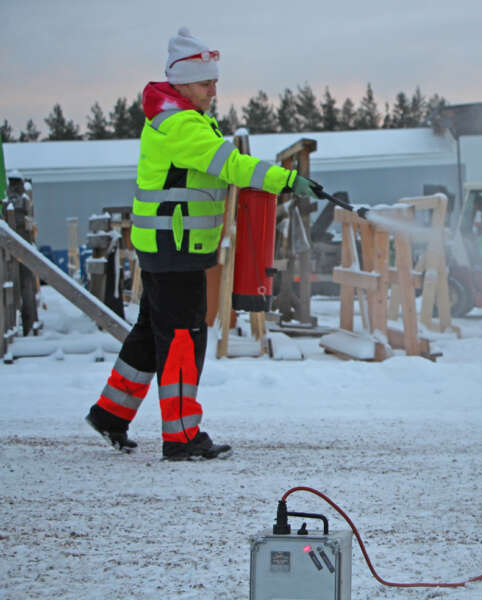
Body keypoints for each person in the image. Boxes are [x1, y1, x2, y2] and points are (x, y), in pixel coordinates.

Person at [85, 27, 318, 461]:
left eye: (215, 81)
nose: (214, 90)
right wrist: (285, 179)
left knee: (148, 334)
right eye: (206, 82)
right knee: (181, 338)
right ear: (180, 82)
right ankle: (181, 436)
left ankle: (110, 414)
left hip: (166, 245)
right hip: (176, 248)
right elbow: (229, 164)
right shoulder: (181, 125)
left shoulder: (176, 118)